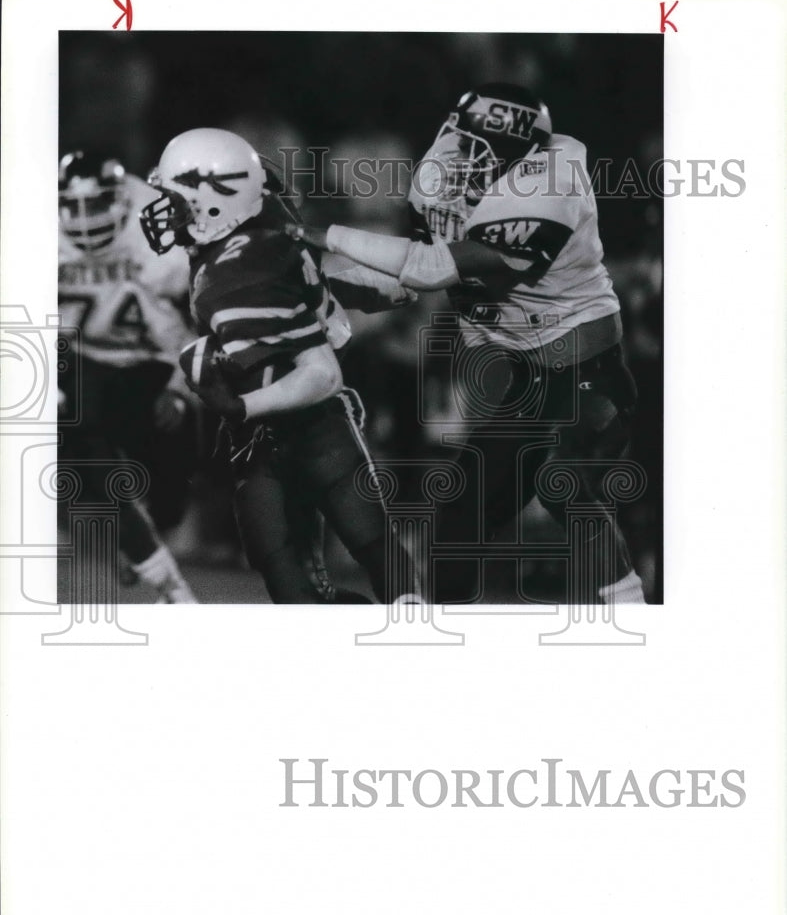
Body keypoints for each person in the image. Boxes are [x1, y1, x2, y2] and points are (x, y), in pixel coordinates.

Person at [288, 83, 646, 604]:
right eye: (457, 137)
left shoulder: (549, 186)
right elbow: (405, 282)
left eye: (472, 144)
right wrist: (321, 286)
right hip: (529, 382)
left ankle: (630, 609)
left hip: (588, 368)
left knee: (562, 480)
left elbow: (433, 268)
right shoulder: (453, 174)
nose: (455, 153)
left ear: (510, 152)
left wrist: (322, 235)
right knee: (458, 515)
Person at [140, 127, 420, 604]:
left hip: (307, 425)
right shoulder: (255, 234)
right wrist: (374, 289)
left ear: (214, 205)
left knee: (338, 553)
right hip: (283, 433)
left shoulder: (234, 276)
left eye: (176, 198)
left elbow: (321, 374)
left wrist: (242, 404)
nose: (165, 210)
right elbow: (303, 289)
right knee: (303, 556)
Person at [58, 150, 198, 603]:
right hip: (77, 353)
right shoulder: (30, 231)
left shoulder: (157, 231)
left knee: (174, 466)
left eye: (96, 204)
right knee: (78, 440)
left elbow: (206, 319)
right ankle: (149, 559)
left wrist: (179, 388)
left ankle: (146, 534)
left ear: (121, 200)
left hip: (152, 359)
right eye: (73, 206)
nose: (83, 217)